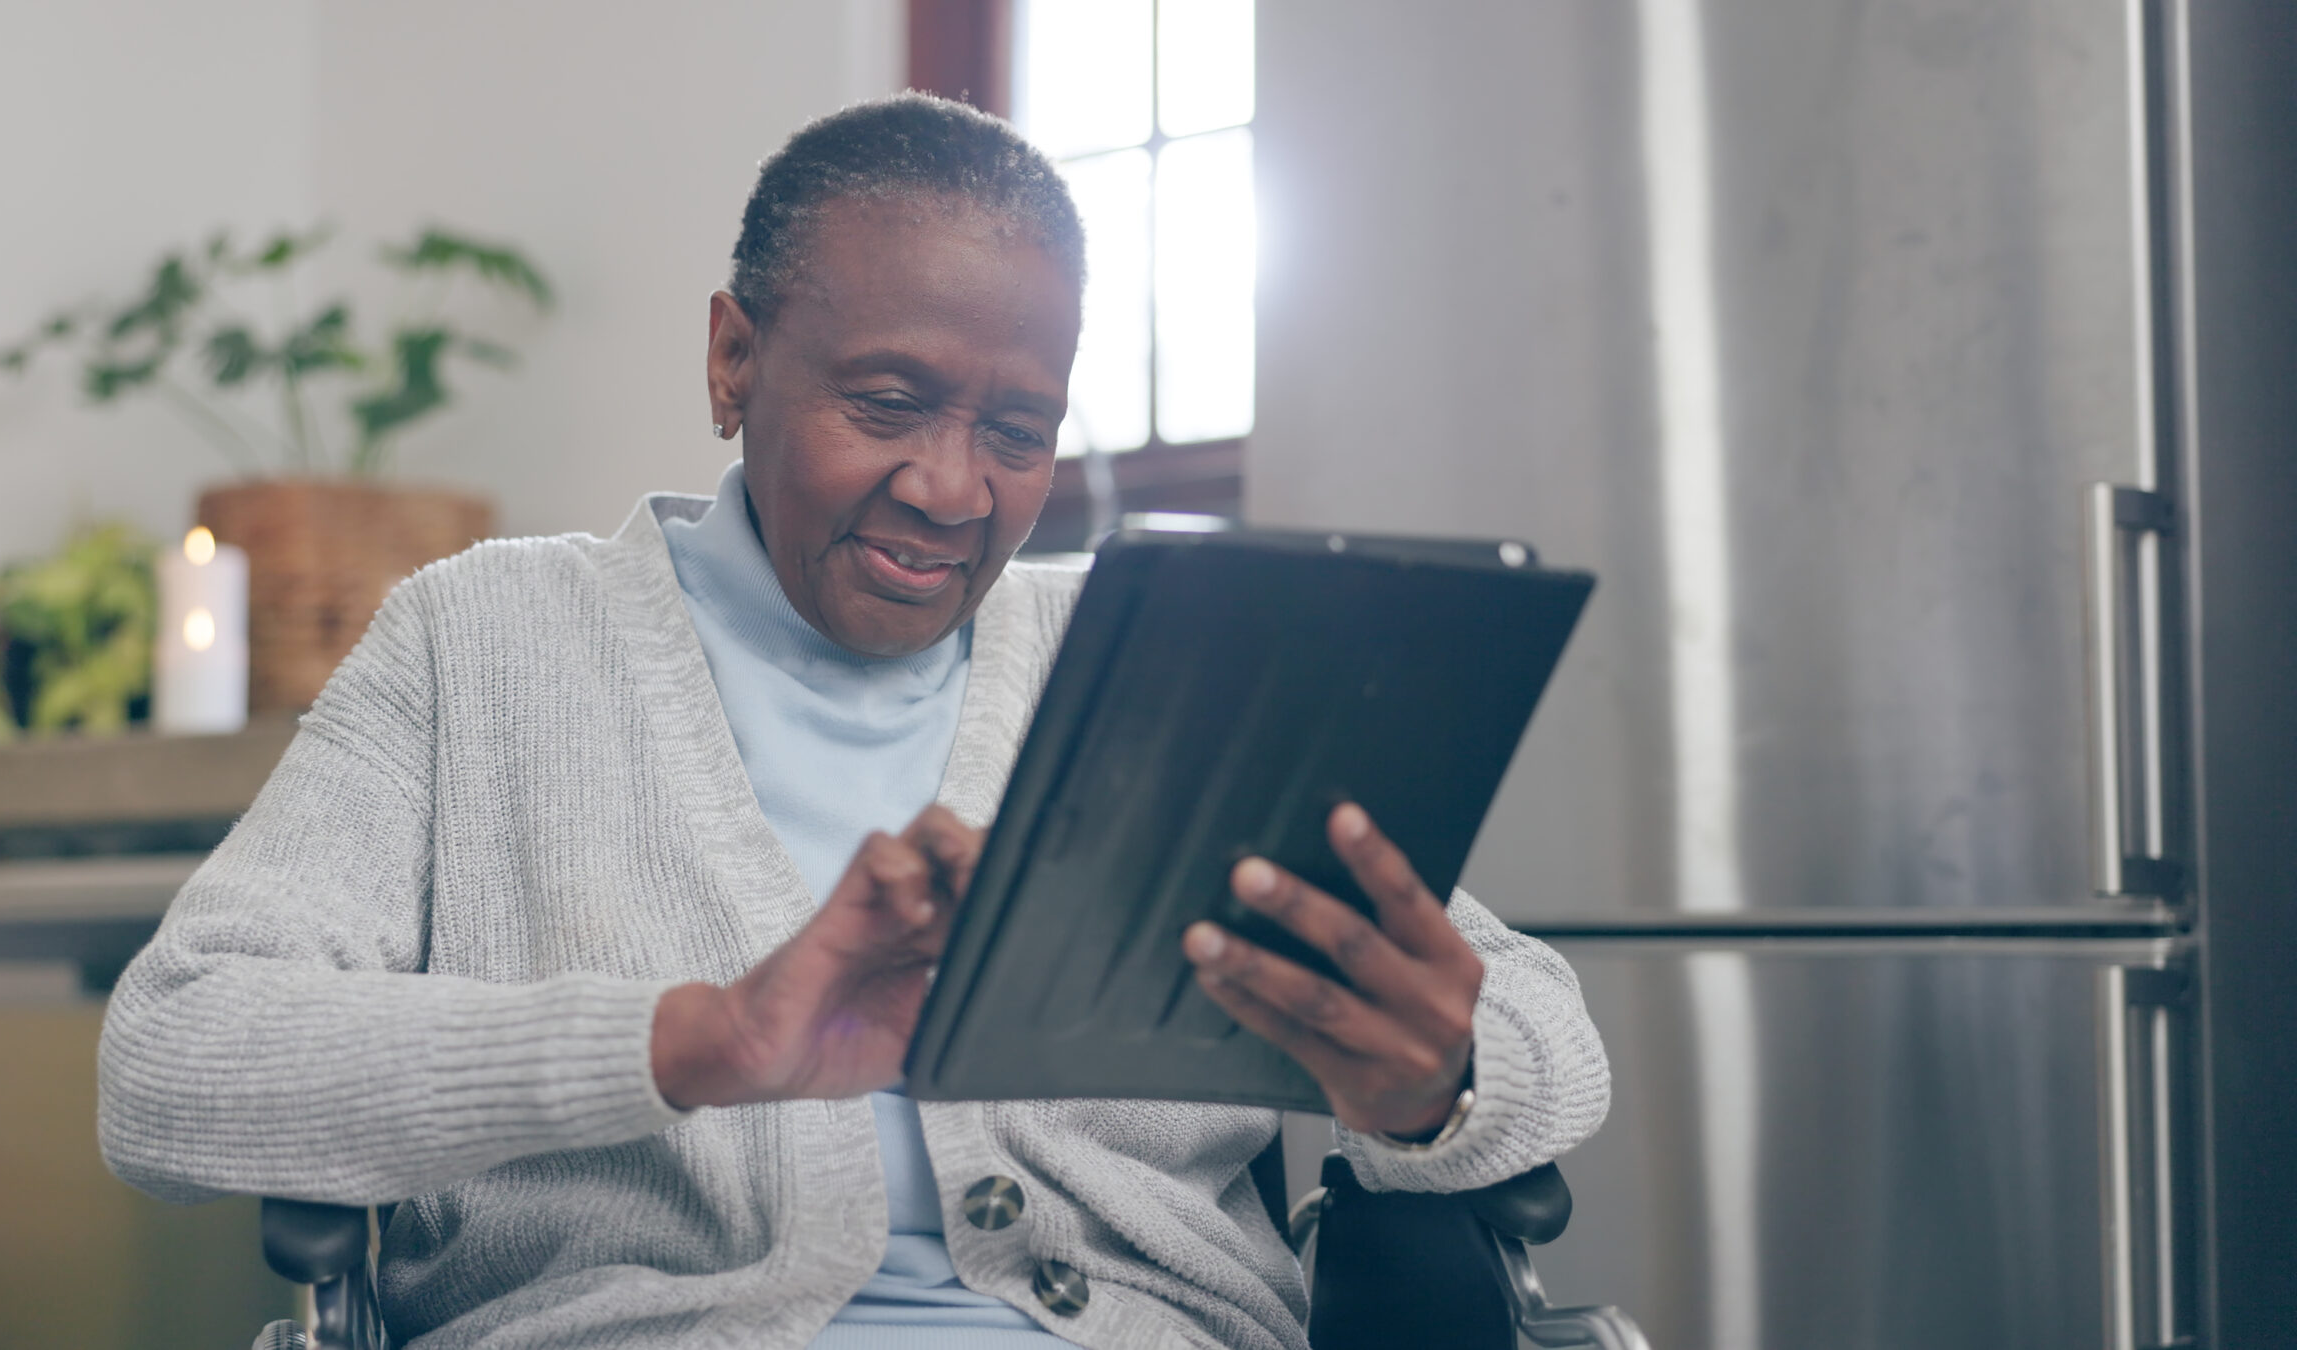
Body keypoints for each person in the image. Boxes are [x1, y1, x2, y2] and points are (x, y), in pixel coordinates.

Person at [98, 93, 1609, 1350]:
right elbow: (174, 1062)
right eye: (887, 403)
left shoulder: (1138, 656)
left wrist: (1435, 1078)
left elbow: (1543, 1026)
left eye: (1016, 431)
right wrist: (702, 1038)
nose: (954, 490)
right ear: (733, 359)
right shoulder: (481, 640)